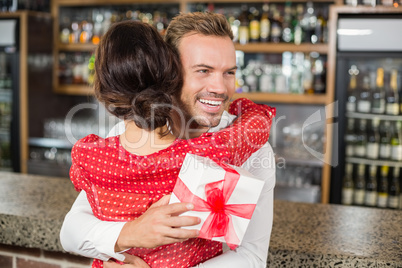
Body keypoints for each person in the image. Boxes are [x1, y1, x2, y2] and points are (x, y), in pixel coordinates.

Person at [60, 12, 276, 268]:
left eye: (229, 72)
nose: (221, 87)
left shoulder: (253, 149)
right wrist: (132, 232)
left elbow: (251, 257)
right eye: (203, 71)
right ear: (168, 71)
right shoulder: (125, 134)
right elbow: (72, 233)